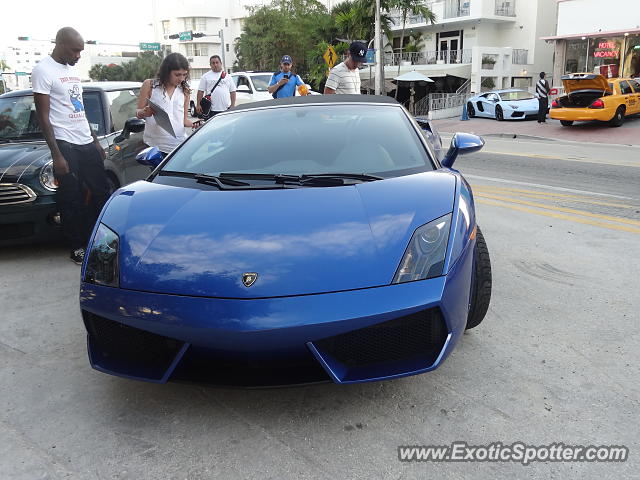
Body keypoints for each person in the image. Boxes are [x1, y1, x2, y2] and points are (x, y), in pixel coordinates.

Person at [32, 27, 110, 265]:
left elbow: (79, 109)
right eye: (76, 50)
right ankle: (77, 246)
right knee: (71, 198)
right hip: (65, 144)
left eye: (81, 51)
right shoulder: (43, 70)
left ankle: (99, 241)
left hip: (85, 140)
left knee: (101, 192)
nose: (78, 56)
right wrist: (57, 155)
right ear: (61, 44)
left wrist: (95, 141)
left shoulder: (72, 71)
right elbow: (43, 117)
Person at [136, 53, 197, 157]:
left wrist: (195, 124)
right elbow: (138, 112)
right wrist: (144, 112)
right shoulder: (150, 85)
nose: (181, 78)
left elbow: (184, 120)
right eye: (177, 74)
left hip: (179, 146)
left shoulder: (185, 90)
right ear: (166, 72)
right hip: (155, 147)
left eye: (184, 74)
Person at [196, 55, 236, 119]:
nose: (215, 64)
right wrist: (198, 104)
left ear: (221, 63)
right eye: (213, 63)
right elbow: (200, 91)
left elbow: (233, 91)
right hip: (211, 110)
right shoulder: (205, 76)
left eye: (217, 62)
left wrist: (233, 105)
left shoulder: (228, 77)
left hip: (226, 109)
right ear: (210, 65)